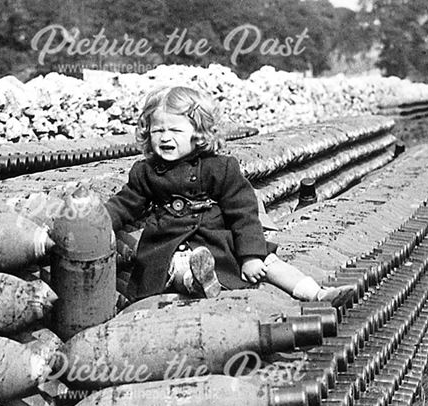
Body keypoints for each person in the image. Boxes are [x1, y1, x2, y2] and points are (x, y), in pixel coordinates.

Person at [105, 86, 354, 306]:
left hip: (218, 240)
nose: (165, 137)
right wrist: (100, 219)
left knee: (270, 263)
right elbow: (126, 203)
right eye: (157, 130)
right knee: (175, 267)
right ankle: (198, 281)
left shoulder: (221, 168)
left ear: (199, 134)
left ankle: (317, 293)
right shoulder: (146, 171)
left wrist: (251, 256)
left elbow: (243, 213)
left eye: (175, 130)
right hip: (168, 243)